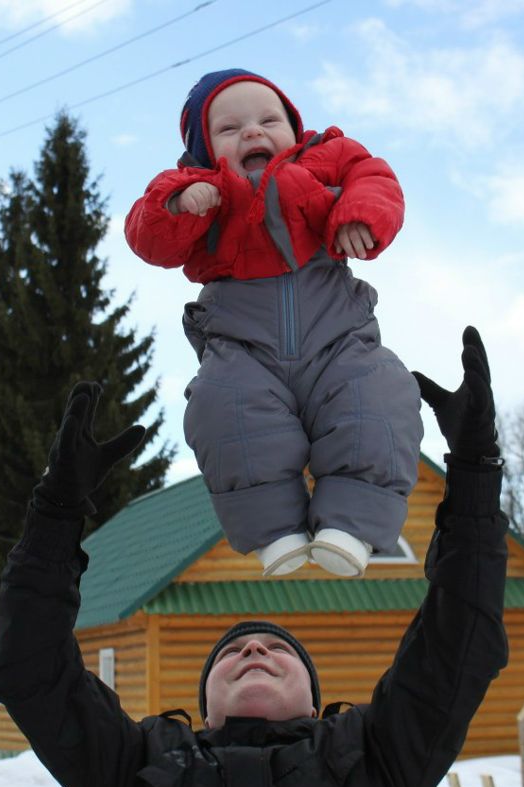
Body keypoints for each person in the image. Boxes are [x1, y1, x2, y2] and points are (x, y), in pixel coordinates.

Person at [0, 326, 509, 787]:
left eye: (277, 648)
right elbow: (30, 670)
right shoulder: (135, 763)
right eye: (233, 651)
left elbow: (458, 644)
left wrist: (474, 470)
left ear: (314, 704)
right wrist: (55, 509)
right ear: (206, 712)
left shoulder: (378, 754)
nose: (255, 648)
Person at [123, 68, 423, 578]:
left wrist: (356, 215)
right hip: (243, 346)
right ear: (204, 150)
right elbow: (147, 237)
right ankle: (274, 531)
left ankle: (351, 527)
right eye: (229, 128)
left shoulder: (326, 156)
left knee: (378, 396)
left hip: (337, 335)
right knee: (225, 410)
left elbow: (373, 179)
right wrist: (178, 206)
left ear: (294, 126)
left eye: (269, 119)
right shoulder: (196, 187)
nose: (253, 133)